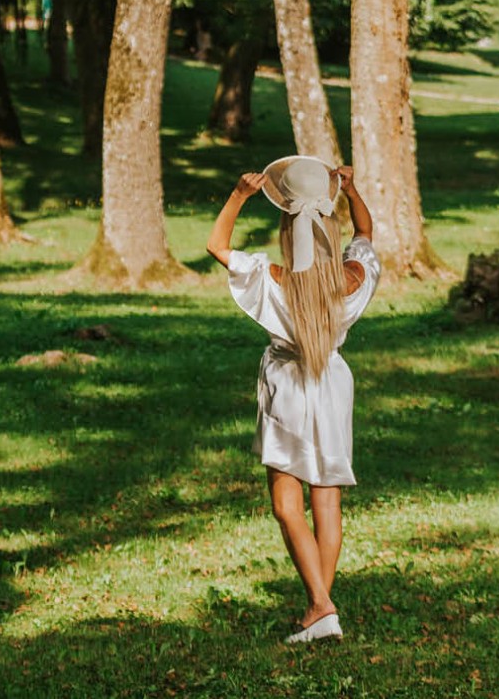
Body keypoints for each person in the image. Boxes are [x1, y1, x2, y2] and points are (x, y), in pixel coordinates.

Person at [205, 157, 382, 644]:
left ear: (288, 225)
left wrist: (240, 195)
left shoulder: (273, 276)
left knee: (287, 504)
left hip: (289, 386)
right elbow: (365, 232)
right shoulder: (352, 278)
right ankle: (318, 611)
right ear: (330, 223)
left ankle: (321, 606)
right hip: (332, 383)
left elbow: (216, 246)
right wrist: (351, 189)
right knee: (327, 503)